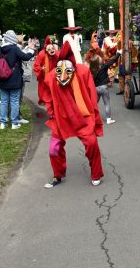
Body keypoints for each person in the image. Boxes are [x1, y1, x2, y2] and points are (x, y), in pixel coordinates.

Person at [42, 41, 104, 188]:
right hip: (61, 117)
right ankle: (58, 175)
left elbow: (91, 94)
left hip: (82, 116)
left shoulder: (82, 72)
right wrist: (51, 112)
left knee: (92, 144)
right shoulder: (51, 77)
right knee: (54, 149)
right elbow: (47, 96)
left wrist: (94, 115)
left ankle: (96, 173)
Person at [0, 30, 35, 130]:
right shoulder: (14, 49)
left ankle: (2, 123)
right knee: (14, 101)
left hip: (3, 79)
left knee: (4, 101)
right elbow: (25, 57)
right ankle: (14, 123)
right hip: (15, 79)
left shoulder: (0, 50)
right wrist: (31, 50)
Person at [87, 49, 121, 125]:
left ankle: (90, 118)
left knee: (94, 103)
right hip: (103, 88)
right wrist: (118, 53)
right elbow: (113, 60)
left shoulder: (91, 69)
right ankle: (108, 119)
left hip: (96, 88)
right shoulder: (104, 66)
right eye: (100, 58)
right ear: (99, 61)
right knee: (107, 104)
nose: (101, 59)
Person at [34, 36, 59, 105]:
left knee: (52, 86)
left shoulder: (56, 53)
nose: (52, 50)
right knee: (42, 87)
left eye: (52, 49)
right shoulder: (42, 54)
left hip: (53, 73)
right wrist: (41, 69)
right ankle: (42, 100)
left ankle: (51, 99)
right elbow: (36, 65)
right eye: (49, 49)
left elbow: (61, 59)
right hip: (43, 74)